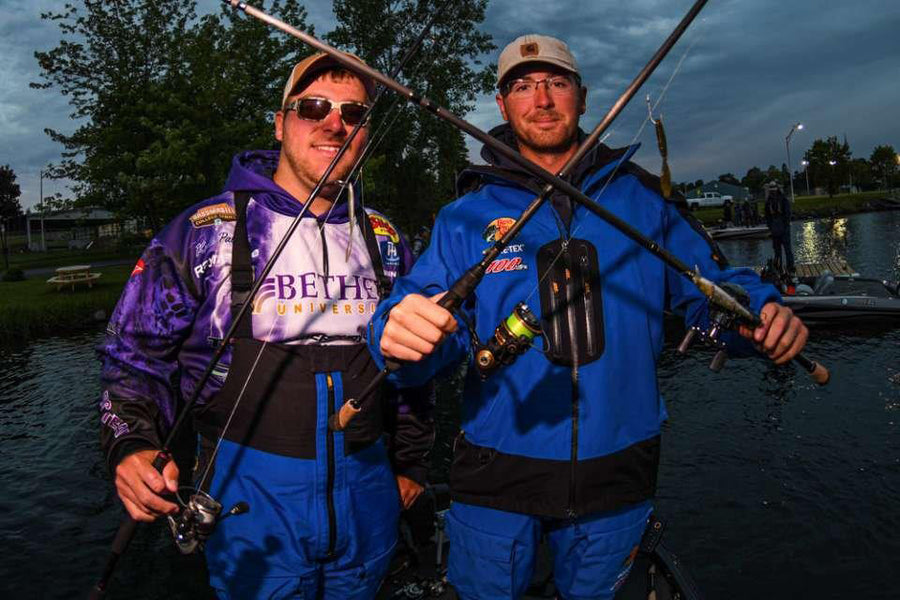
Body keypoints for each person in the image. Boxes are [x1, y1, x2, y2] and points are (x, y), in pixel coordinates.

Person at [367, 34, 809, 599]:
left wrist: (761, 313)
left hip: (619, 473)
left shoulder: (643, 200)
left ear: (582, 96)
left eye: (555, 83)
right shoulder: (463, 216)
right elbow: (411, 326)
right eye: (522, 87)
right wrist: (398, 336)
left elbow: (710, 292)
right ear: (502, 107)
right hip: (495, 474)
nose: (541, 99)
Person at [98, 51, 434, 599]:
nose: (334, 124)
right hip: (248, 503)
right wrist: (131, 445)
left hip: (368, 498)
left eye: (353, 114)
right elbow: (132, 360)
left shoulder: (387, 239)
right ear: (280, 122)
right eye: (315, 107)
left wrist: (412, 464)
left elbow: (415, 373)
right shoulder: (202, 232)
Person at [764, 182, 795, 273]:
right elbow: (768, 216)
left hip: (781, 228)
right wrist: (771, 227)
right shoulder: (770, 201)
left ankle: (789, 267)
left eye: (773, 189)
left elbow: (787, 214)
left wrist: (784, 225)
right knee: (779, 251)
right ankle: (780, 267)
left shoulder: (782, 200)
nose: (772, 191)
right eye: (771, 189)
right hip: (776, 229)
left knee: (785, 250)